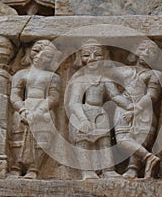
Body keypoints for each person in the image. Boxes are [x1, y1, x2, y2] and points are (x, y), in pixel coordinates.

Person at [67, 39, 129, 180]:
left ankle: (108, 170)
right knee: (84, 143)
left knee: (104, 142)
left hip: (100, 114)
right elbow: (73, 103)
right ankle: (87, 171)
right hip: (82, 113)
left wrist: (132, 106)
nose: (92, 59)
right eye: (87, 55)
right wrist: (82, 119)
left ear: (104, 57)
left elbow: (116, 96)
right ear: (80, 58)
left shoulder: (105, 79)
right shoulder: (79, 80)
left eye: (98, 55)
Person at [10, 40, 60, 179]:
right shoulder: (20, 74)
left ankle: (34, 169)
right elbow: (14, 96)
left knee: (42, 139)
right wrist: (23, 110)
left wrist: (40, 110)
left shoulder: (53, 77)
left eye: (46, 56)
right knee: (18, 138)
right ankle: (15, 167)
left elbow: (53, 97)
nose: (40, 58)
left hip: (44, 110)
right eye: (37, 53)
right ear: (32, 54)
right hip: (24, 107)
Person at [113, 40, 162, 179]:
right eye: (142, 49)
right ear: (135, 51)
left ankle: (133, 169)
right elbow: (105, 74)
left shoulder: (155, 74)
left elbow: (152, 95)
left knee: (139, 138)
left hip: (143, 109)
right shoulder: (124, 70)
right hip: (124, 106)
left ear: (157, 57)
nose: (146, 53)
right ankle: (149, 158)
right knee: (122, 140)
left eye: (152, 52)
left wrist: (136, 109)